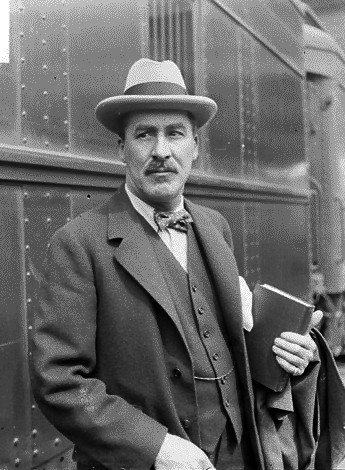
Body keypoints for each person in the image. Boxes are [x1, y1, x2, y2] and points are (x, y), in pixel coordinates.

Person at [31, 59, 341, 470]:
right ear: (122, 148)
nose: (161, 151)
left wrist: (288, 356)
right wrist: (156, 448)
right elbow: (59, 382)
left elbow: (228, 342)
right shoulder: (78, 244)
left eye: (174, 133)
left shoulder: (216, 227)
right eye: (144, 134)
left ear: (194, 146)